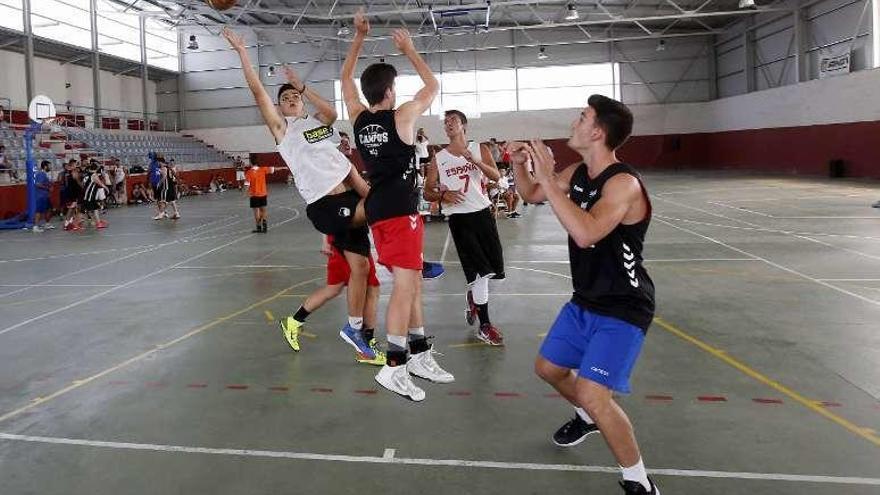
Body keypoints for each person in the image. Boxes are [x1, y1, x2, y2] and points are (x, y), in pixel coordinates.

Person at [510, 95, 659, 495]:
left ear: (597, 132)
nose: (575, 121)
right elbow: (530, 195)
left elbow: (587, 231)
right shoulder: (577, 172)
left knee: (596, 394)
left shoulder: (623, 183)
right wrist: (519, 164)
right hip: (586, 300)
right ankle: (587, 416)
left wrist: (546, 176)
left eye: (583, 117)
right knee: (548, 369)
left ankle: (639, 481)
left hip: (624, 308)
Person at [223, 27, 380, 363]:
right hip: (324, 204)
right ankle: (405, 255)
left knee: (362, 269)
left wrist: (304, 87)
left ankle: (355, 330)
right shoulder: (284, 130)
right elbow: (257, 93)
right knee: (382, 205)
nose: (290, 100)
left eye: (294, 97)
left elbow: (334, 115)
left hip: (349, 197)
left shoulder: (315, 125)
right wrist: (242, 53)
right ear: (279, 108)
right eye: (285, 99)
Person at [342, 10, 453, 401]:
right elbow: (432, 85)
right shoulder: (402, 116)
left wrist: (358, 39)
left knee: (413, 284)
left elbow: (344, 82)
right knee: (405, 289)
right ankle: (394, 365)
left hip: (380, 211)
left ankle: (420, 354)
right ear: (389, 91)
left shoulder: (357, 119)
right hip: (400, 211)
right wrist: (409, 49)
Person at [424, 110, 505, 346]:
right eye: (446, 122)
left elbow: (496, 176)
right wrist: (443, 195)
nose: (448, 124)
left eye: (453, 121)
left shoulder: (479, 148)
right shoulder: (439, 158)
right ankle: (485, 326)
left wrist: (476, 161)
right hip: (459, 219)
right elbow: (427, 191)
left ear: (464, 126)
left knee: (492, 272)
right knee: (480, 273)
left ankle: (473, 298)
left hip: (483, 213)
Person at [280, 234, 385, 365]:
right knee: (371, 287)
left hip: (341, 237)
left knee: (334, 287)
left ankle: (293, 321)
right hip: (346, 239)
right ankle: (366, 345)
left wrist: (326, 239)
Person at [244, 162, 275, 233]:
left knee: (256, 212)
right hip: (263, 193)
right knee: (263, 210)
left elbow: (247, 185)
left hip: (254, 195)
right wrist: (284, 167)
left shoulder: (249, 172)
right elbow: (274, 169)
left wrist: (245, 193)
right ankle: (264, 224)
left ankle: (259, 227)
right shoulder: (263, 169)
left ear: (251, 163)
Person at [80, 160, 109, 229]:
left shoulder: (87, 174)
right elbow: (100, 183)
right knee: (84, 211)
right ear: (96, 169)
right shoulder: (94, 175)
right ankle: (76, 223)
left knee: (94, 208)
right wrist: (106, 188)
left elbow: (83, 184)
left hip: (87, 195)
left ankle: (98, 222)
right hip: (89, 196)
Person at [59, 159, 82, 231]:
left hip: (70, 192)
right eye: (75, 164)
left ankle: (69, 224)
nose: (76, 165)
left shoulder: (67, 173)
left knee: (73, 209)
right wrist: (83, 186)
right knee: (71, 209)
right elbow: (78, 181)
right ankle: (66, 225)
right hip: (74, 193)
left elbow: (67, 183)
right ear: (72, 165)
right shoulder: (74, 172)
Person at [33, 161, 55, 232]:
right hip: (41, 196)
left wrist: (50, 184)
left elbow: (44, 183)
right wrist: (48, 188)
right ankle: (35, 227)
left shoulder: (44, 174)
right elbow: (38, 184)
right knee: (38, 211)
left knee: (49, 209)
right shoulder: (41, 174)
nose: (50, 167)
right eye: (49, 166)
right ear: (45, 166)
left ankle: (47, 224)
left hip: (46, 196)